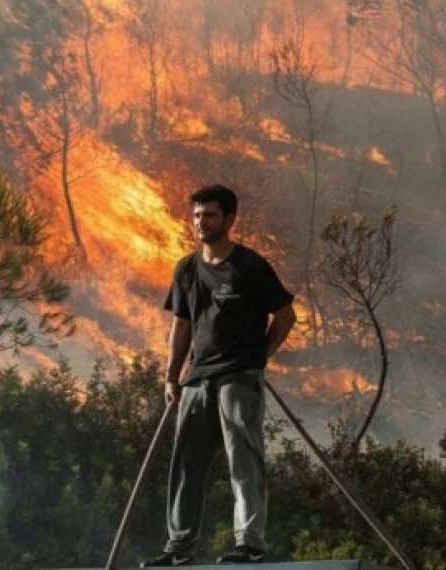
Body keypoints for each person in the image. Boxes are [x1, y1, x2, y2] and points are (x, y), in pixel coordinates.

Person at [141, 185, 296, 566]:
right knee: (185, 463)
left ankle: (249, 544)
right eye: (196, 215)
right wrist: (170, 376)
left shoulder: (249, 266)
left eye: (209, 215)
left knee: (243, 458)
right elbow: (181, 325)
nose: (200, 222)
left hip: (238, 377)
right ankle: (179, 547)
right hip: (197, 379)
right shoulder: (187, 268)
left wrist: (258, 358)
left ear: (229, 219)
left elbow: (286, 315)